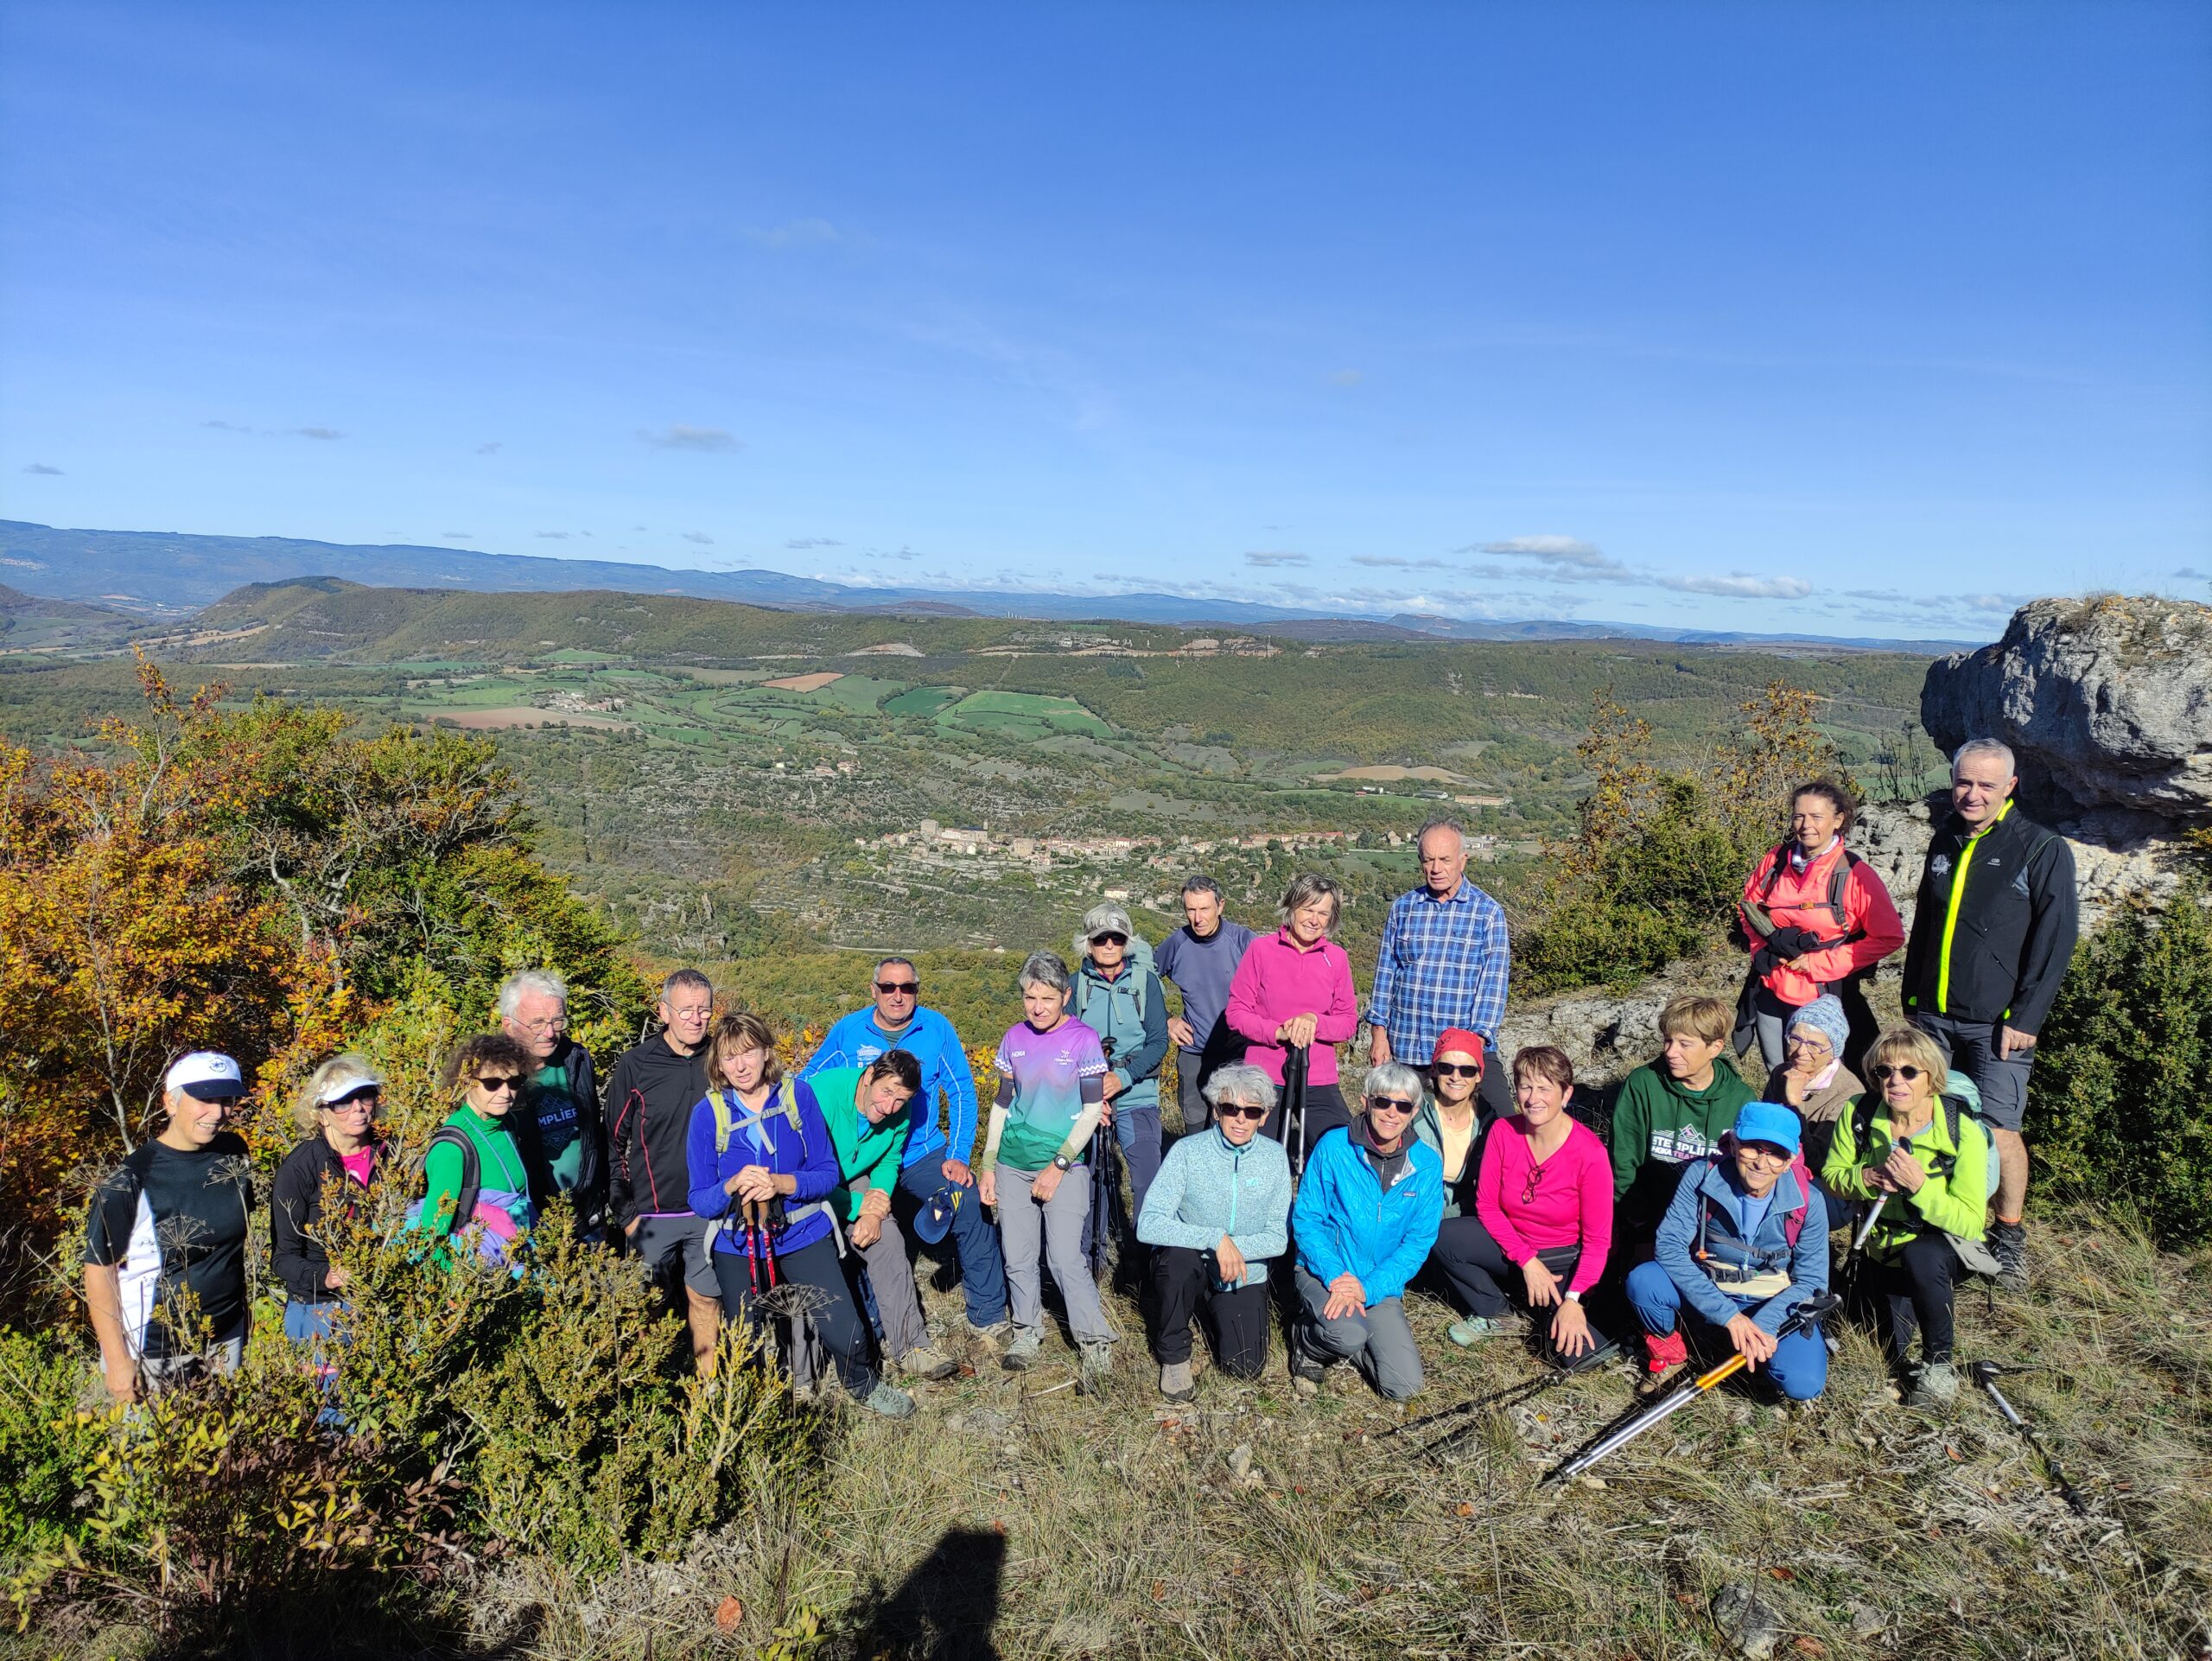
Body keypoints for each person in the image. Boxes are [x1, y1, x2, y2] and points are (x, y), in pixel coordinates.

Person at [1898, 738, 2079, 1291]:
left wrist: (2025, 1017)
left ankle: (2010, 1234)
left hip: (1999, 1024)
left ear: (2010, 787)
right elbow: (1926, 925)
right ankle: (1943, 1224)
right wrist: (1912, 997)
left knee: (1999, 1129)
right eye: (1964, 781)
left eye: (1986, 784)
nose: (1972, 794)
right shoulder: (1945, 839)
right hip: (1933, 1016)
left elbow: (2056, 939)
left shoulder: (2040, 848)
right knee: (1928, 1120)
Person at [685, 1011, 915, 1417]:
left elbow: (826, 1175)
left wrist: (780, 1183)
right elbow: (701, 1200)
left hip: (802, 1231)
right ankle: (753, 1410)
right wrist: (732, 1184)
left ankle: (862, 1384)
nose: (740, 1066)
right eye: (729, 1057)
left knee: (845, 1327)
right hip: (737, 1241)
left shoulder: (797, 1097)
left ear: (766, 1052)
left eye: (748, 1053)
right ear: (717, 1063)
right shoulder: (709, 1114)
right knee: (745, 1338)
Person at [801, 956, 1009, 1340]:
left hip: (919, 1153)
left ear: (917, 990)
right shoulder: (849, 1031)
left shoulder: (936, 1029)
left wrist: (958, 1155)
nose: (897, 996)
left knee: (968, 1203)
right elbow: (807, 1084)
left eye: (907, 988)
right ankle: (874, 1324)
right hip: (862, 1159)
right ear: (874, 990)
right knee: (868, 1230)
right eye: (888, 987)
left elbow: (962, 1092)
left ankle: (988, 1315)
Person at [1822, 1027, 1997, 1409]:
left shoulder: (1963, 1131)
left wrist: (1920, 1187)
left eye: (1909, 1071)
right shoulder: (1858, 1113)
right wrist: (1868, 1178)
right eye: (1884, 1071)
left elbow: (1971, 1223)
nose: (1895, 1081)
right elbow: (1833, 1177)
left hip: (1940, 1248)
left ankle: (1939, 1365)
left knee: (1923, 1255)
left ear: (1931, 1078)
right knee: (1881, 1343)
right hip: (1879, 1248)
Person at [976, 951, 1119, 1388]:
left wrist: (1059, 1165)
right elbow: (1003, 1104)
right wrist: (988, 1164)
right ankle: (1026, 1331)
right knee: (1018, 1255)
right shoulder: (1013, 1038)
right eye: (1030, 997)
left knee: (1063, 1257)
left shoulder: (1083, 1040)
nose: (1037, 1007)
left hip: (1065, 1165)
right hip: (1012, 1163)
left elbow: (1092, 1109)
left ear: (1066, 996)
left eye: (1048, 998)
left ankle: (1096, 1343)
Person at [83, 1052, 256, 1401]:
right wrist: (117, 1360)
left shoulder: (234, 1154)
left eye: (226, 1100)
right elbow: (99, 1271)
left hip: (225, 1338)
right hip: (155, 1350)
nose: (218, 1113)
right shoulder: (131, 1180)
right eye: (204, 1099)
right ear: (170, 1102)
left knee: (227, 1435)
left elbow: (230, 1246)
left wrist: (241, 1313)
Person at [1627, 1102, 1829, 1401]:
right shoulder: (1702, 1177)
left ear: (1790, 1160)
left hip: (1773, 1300)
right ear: (1734, 1144)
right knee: (1644, 1281)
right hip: (1711, 1287)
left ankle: (1762, 1355)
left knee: (1803, 1384)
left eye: (1776, 1154)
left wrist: (1764, 1325)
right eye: (1753, 1148)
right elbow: (1669, 1246)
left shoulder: (1809, 1201)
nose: (1762, 1162)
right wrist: (1730, 1316)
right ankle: (1671, 1352)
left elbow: (1812, 1280)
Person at [1433, 1046, 1611, 1356]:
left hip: (1559, 1259)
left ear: (1566, 1094)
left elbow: (1598, 1241)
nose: (1533, 1098)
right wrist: (1527, 1260)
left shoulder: (1590, 1154)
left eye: (1544, 1088)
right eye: (1526, 1086)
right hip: (1511, 1246)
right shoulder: (1504, 1131)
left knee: (1572, 1354)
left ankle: (1558, 1307)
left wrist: (1574, 1299)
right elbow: (1487, 1205)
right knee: (1443, 1235)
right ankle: (1497, 1313)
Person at [1135, 1062, 1293, 1402]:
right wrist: (1215, 1239)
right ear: (1216, 1109)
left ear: (1264, 1116)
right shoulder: (1186, 1152)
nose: (1240, 1119)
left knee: (1245, 1367)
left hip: (1242, 1271)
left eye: (1252, 1111)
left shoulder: (1275, 1158)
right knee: (1177, 1263)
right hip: (1190, 1260)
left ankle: (1208, 1306)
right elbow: (1148, 1223)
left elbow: (1277, 1238)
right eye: (1230, 1108)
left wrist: (1234, 1249)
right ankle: (1174, 1354)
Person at [1287, 1063, 1445, 1403]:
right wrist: (1335, 1275)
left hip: (1378, 1281)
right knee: (1347, 1334)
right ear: (1365, 1102)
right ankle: (1307, 1340)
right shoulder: (1334, 1147)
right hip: (1325, 1271)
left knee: (1403, 1386)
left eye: (1403, 1105)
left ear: (1415, 1111)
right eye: (1382, 1102)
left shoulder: (1428, 1164)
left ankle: (1352, 1337)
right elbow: (1308, 1219)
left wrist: (1368, 1288)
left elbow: (1418, 1242)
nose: (1392, 1113)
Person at [810, 1051, 958, 1382]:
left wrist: (875, 1210)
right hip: (811, 1183)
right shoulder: (823, 1094)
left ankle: (912, 1346)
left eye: (900, 1099)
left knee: (888, 1238)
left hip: (854, 1179)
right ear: (869, 1076)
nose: (890, 1106)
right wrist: (856, 1207)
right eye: (886, 1092)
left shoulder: (899, 1112)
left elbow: (888, 1162)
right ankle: (813, 1361)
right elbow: (805, 1176)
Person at [1736, 780, 1904, 1071]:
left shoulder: (1854, 874)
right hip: (1771, 983)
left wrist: (1819, 963)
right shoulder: (1777, 860)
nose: (1806, 825)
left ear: (1838, 820)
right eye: (1799, 816)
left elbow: (1889, 936)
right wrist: (1761, 949)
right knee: (1778, 1071)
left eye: (1816, 817)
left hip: (1822, 992)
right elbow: (1748, 908)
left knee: (1819, 1074)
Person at [606, 969, 721, 1367]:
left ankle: (709, 1390)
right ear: (664, 1012)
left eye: (704, 1010)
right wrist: (626, 1215)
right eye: (686, 1009)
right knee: (646, 1306)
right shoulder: (636, 1065)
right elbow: (613, 1142)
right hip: (651, 1215)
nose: (696, 1018)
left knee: (706, 1300)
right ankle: (650, 1383)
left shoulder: (721, 1059)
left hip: (709, 1212)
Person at [1365, 818, 1515, 1122]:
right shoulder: (1403, 908)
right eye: (1428, 860)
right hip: (1406, 1049)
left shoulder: (1487, 913)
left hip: (1462, 1055)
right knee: (1398, 1130)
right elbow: (1385, 974)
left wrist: (1471, 1048)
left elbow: (1493, 986)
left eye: (1445, 859)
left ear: (1463, 860)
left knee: (1502, 1125)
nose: (1436, 868)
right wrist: (1379, 1034)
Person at [1225, 874, 1360, 1165]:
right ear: (1291, 908)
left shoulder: (1336, 958)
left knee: (1344, 1156)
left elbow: (1348, 1022)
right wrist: (1278, 1033)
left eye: (1323, 913)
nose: (1314, 920)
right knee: (1253, 1163)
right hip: (1263, 1076)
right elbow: (1236, 1013)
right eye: (1307, 910)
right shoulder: (1261, 950)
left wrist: (1315, 1022)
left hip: (1317, 1076)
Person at [1608, 994, 1757, 1247]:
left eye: (1684, 1044)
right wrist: (1637, 1222)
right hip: (1649, 1220)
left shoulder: (1741, 1098)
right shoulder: (1644, 1084)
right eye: (1668, 1040)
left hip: (1713, 1227)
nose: (1670, 1052)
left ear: (1715, 1047)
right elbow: (1623, 1159)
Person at [271, 1053, 385, 1352]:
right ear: (321, 1114)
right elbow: (283, 1259)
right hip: (320, 1310)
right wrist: (326, 1277)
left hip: (384, 1300)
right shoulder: (299, 1168)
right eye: (342, 1102)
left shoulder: (393, 1154)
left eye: (365, 1096)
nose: (358, 1108)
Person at [1070, 902, 1170, 1228]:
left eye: (1117, 938)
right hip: (1086, 1100)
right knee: (1086, 1183)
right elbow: (1065, 1048)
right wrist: (1092, 1093)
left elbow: (1158, 1042)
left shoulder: (1145, 983)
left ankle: (1147, 1249)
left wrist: (1122, 1077)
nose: (1110, 945)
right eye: (1101, 939)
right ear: (1088, 944)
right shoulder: (1075, 986)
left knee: (1147, 1180)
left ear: (1127, 943)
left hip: (1137, 1095)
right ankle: (1087, 1254)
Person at [498, 969, 604, 1238]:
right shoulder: (493, 1078)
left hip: (586, 1214)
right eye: (537, 1023)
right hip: (527, 1221)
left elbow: (594, 1134)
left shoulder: (576, 1059)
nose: (549, 1033)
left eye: (557, 1021)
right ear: (509, 1025)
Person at [415, 1033, 538, 1263]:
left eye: (514, 1082)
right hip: (479, 1270)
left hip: (517, 1255)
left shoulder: (508, 1123)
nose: (506, 1093)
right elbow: (432, 1233)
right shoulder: (452, 1148)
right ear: (466, 1082)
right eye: (492, 1083)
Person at [1153, 875, 1257, 1133]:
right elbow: (1144, 982)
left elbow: (1274, 987)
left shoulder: (1244, 942)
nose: (1198, 918)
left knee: (1234, 1127)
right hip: (1194, 1053)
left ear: (1220, 906)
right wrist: (1167, 1019)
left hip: (1238, 1053)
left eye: (1204, 909)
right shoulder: (1178, 943)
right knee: (1195, 1128)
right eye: (1191, 909)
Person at [1763, 995, 1862, 1185]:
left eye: (1814, 1046)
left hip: (1817, 1182)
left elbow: (1817, 1162)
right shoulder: (1781, 1073)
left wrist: (1795, 1104)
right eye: (1795, 1039)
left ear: (1833, 1052)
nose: (1800, 1051)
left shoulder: (1849, 1093)